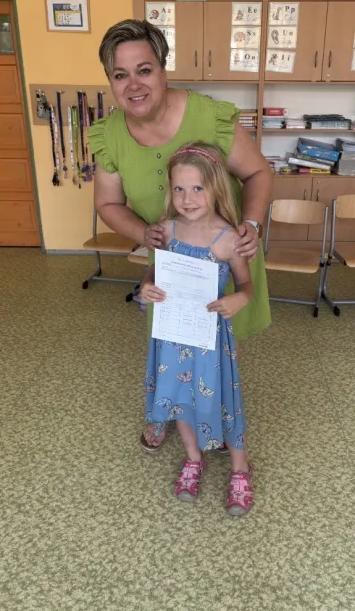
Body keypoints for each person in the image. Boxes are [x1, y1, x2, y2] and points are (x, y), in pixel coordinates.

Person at [89, 19, 272, 453]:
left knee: (218, 345)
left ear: (163, 69)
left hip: (224, 253)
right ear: (111, 81)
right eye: (120, 74)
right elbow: (108, 204)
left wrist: (251, 225)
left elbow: (259, 173)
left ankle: (217, 414)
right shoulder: (110, 134)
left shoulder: (210, 117)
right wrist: (147, 234)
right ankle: (166, 411)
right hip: (171, 258)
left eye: (144, 69)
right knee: (169, 340)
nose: (134, 84)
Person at [140, 141, 253, 515]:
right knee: (178, 396)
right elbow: (154, 272)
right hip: (173, 335)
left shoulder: (228, 238)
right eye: (179, 188)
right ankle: (193, 458)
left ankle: (239, 468)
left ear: (215, 188)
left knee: (222, 398)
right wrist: (146, 287)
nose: (187, 199)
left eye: (197, 188)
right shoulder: (166, 230)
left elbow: (247, 286)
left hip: (210, 339)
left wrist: (239, 299)